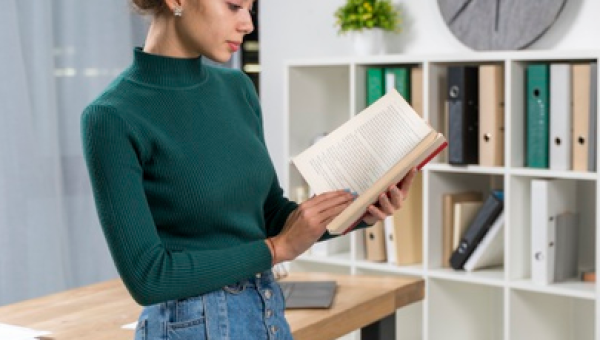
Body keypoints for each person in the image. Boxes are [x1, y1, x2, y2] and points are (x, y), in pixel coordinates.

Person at [80, 0, 417, 339]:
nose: (247, 24)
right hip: (189, 327)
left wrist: (362, 209)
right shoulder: (112, 116)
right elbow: (149, 277)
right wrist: (276, 249)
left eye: (250, 9)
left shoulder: (236, 88)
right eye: (233, 6)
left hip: (265, 313)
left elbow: (271, 213)